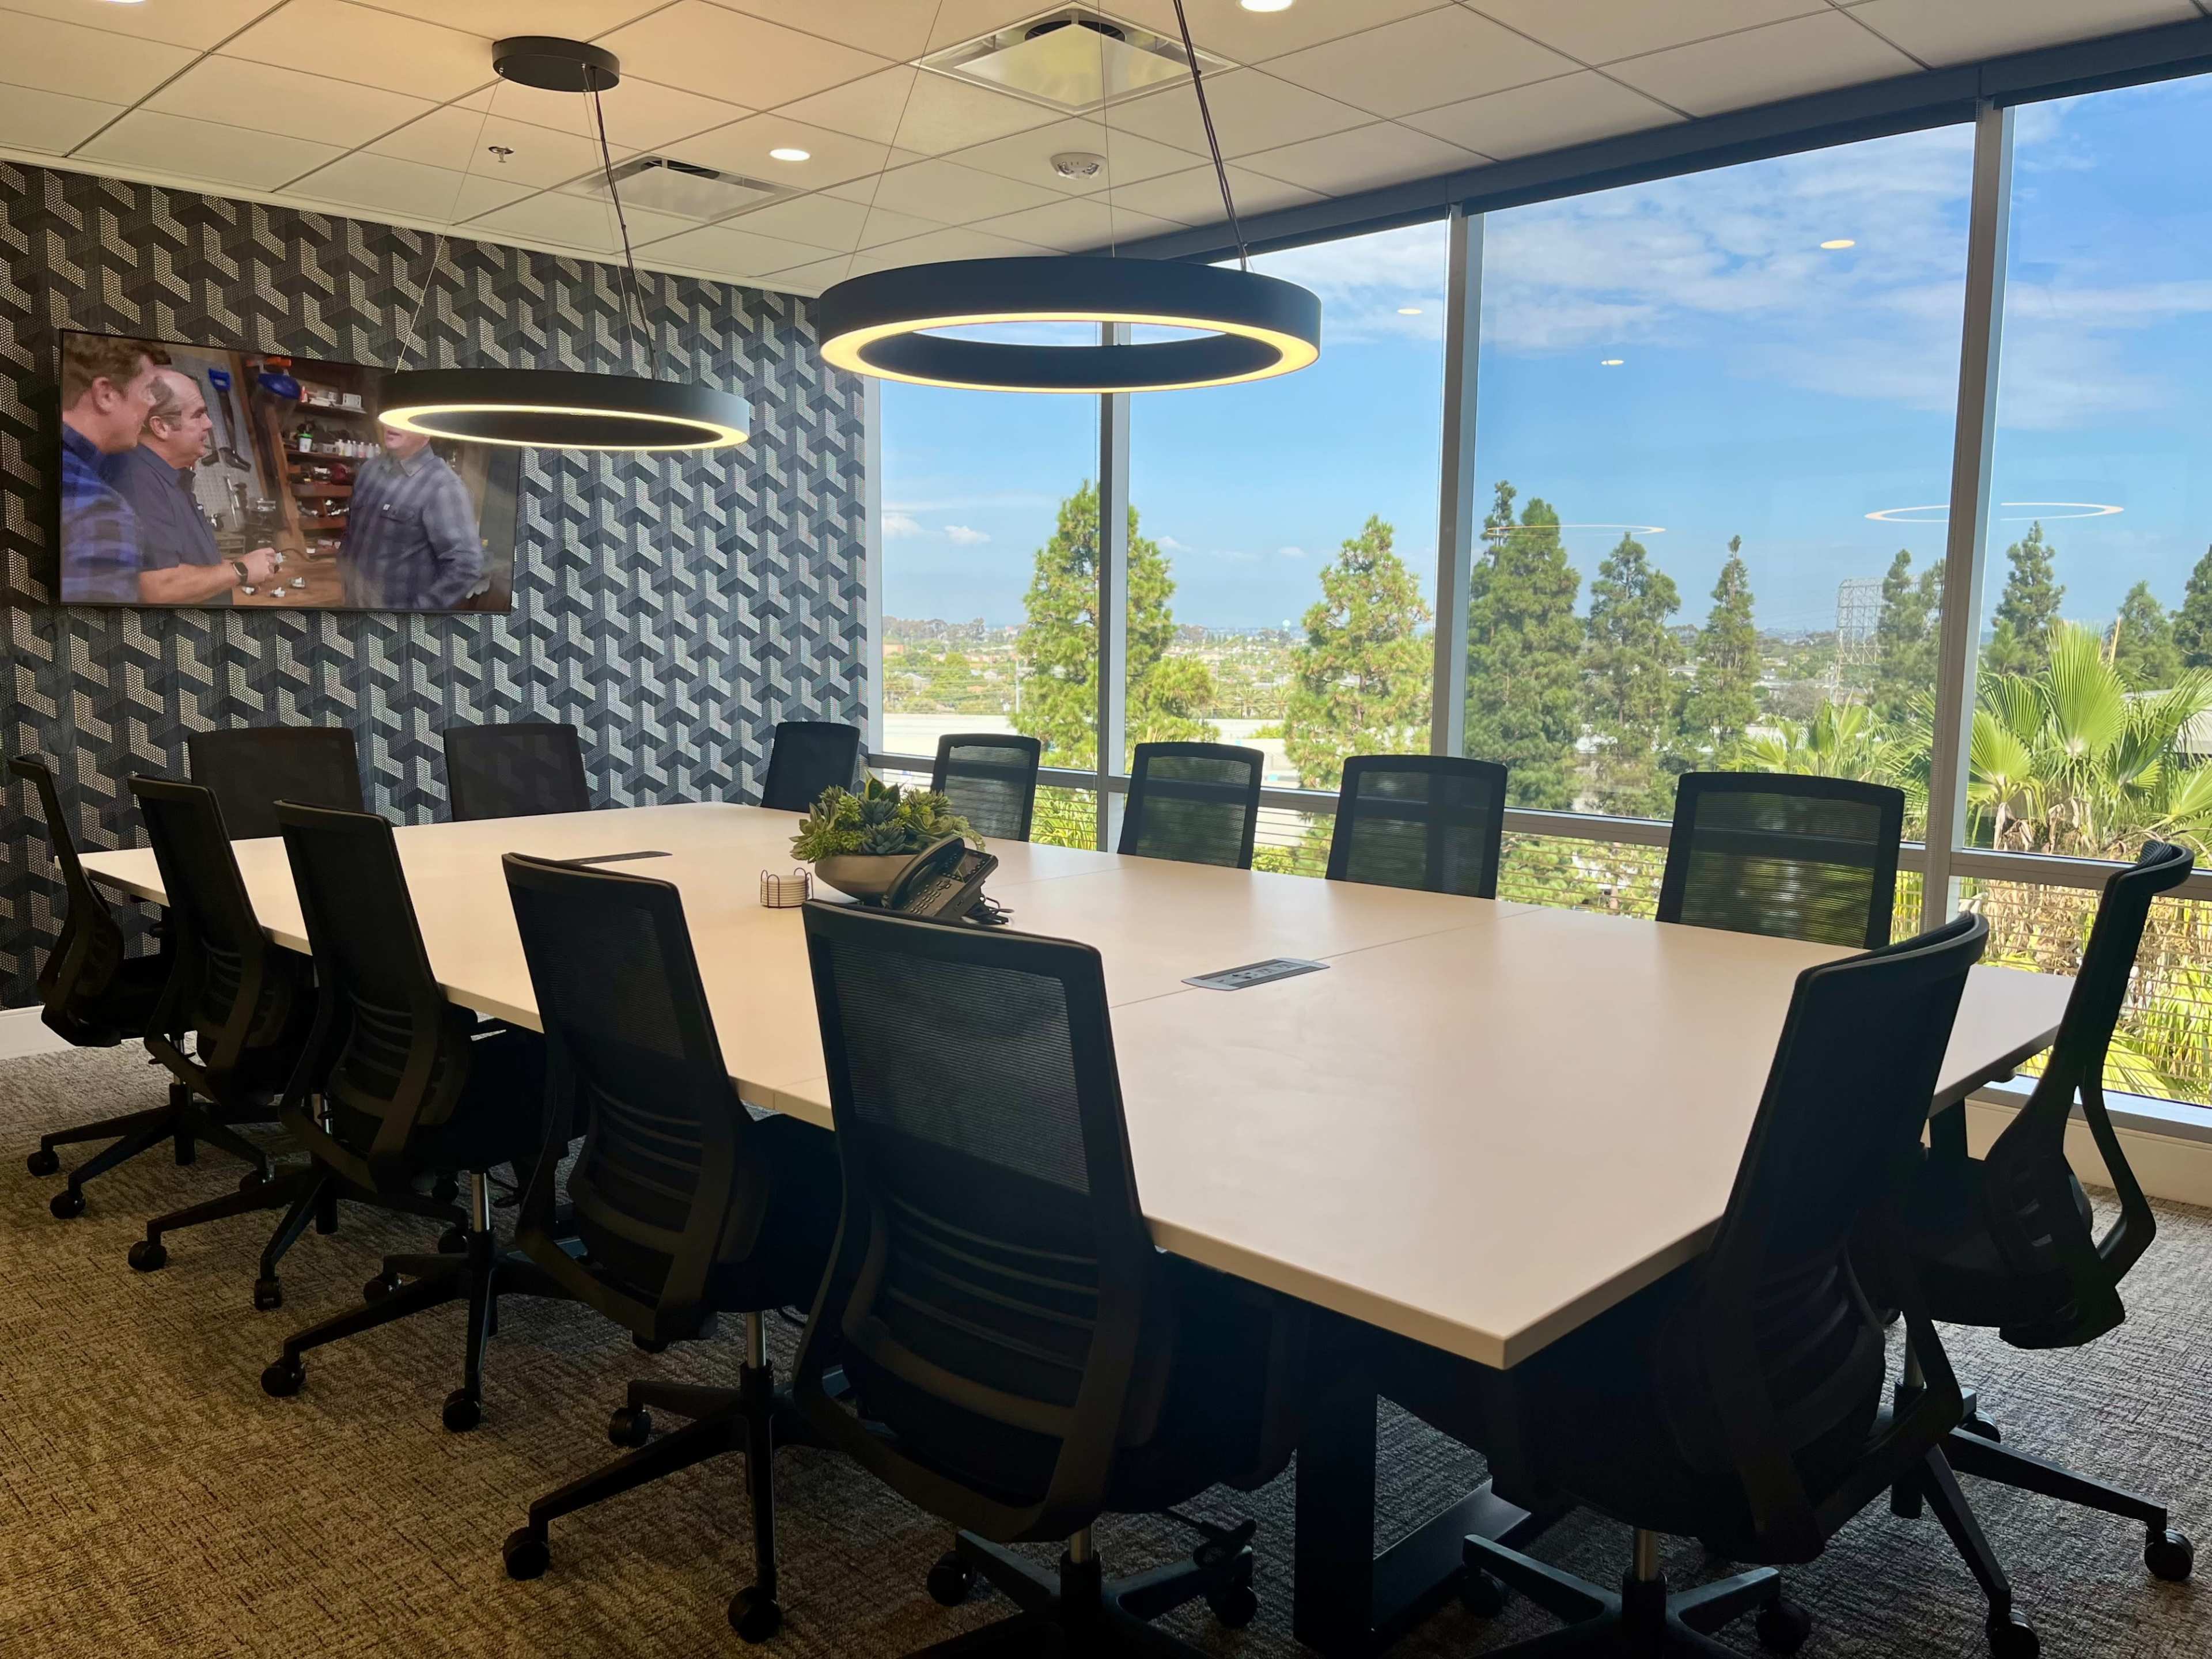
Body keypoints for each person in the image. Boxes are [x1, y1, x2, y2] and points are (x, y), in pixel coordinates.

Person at [105, 368, 279, 605]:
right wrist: (240, 570)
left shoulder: (170, 476)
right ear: (161, 427)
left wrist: (239, 569)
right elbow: (159, 588)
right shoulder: (137, 481)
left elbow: (182, 564)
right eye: (198, 415)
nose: (209, 424)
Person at [58, 335, 167, 603]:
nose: (153, 403)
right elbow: (93, 638)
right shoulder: (100, 513)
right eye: (148, 390)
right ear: (106, 395)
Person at [341, 425, 482, 609]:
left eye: (403, 421)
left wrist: (416, 615)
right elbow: (351, 536)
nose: (392, 426)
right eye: (390, 418)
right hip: (353, 611)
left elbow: (467, 566)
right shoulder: (369, 471)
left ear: (427, 429)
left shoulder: (443, 486)